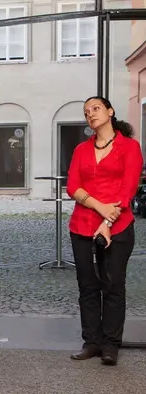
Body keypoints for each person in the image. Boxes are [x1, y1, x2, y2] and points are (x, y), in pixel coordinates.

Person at [67, 96, 142, 366]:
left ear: (110, 111)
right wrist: (99, 207)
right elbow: (72, 186)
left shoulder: (130, 147)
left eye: (95, 108)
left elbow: (128, 188)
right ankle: (91, 342)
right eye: (86, 112)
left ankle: (111, 344)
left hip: (118, 225)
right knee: (87, 286)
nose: (90, 114)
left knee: (112, 286)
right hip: (81, 225)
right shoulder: (81, 150)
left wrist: (107, 223)